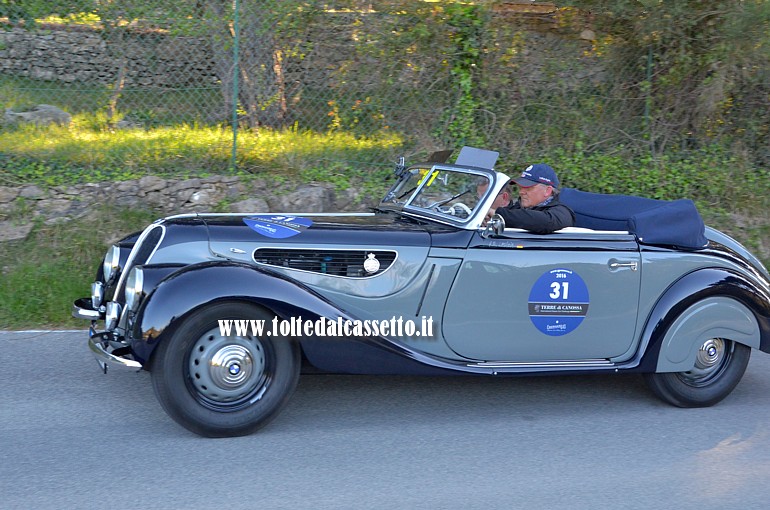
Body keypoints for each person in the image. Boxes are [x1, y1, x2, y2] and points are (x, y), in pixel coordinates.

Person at [485, 163, 575, 234]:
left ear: (547, 191)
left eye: (528, 188)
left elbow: (543, 222)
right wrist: (485, 216)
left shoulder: (562, 212)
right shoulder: (518, 208)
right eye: (521, 187)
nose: (521, 192)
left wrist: (498, 215)